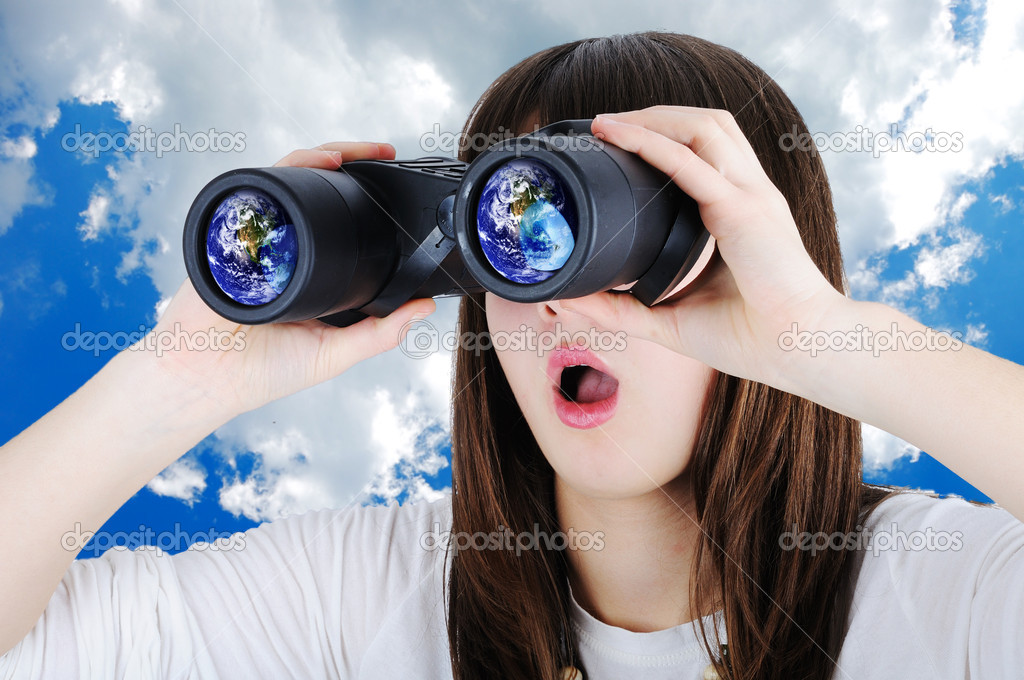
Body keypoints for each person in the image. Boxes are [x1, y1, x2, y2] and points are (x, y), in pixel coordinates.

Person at [0, 31, 1021, 680]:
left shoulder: (946, 592)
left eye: (576, 227)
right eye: (511, 241)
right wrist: (176, 375)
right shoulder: (366, 591)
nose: (557, 300)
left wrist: (824, 341)